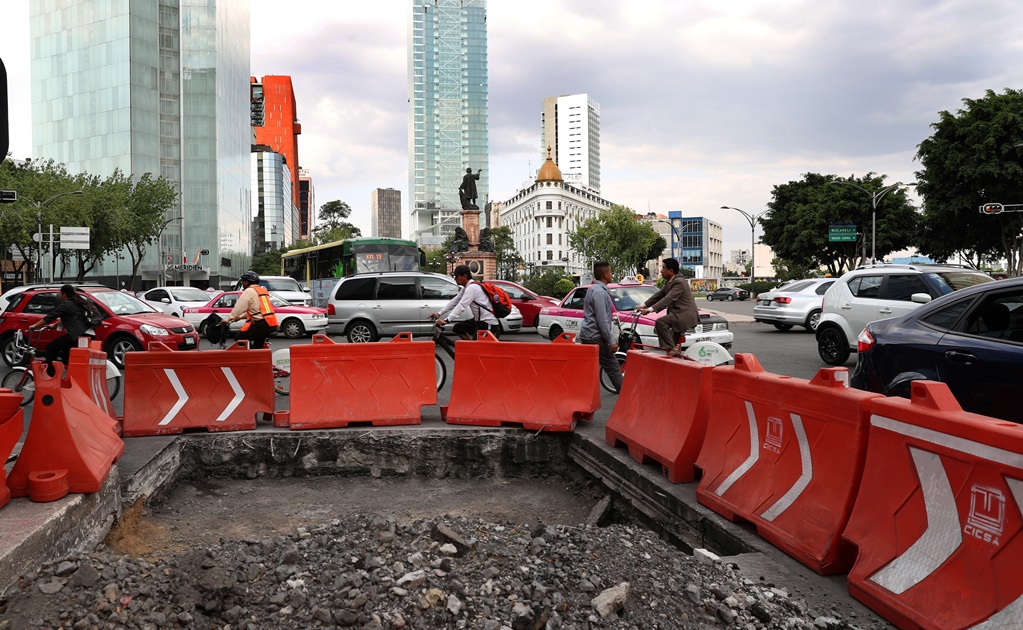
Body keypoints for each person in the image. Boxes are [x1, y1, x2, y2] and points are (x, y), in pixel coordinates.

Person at [636, 258, 699, 357]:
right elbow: (658, 295)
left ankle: (673, 349)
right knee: (671, 347)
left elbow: (668, 298)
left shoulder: (679, 282)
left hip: (684, 315)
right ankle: (674, 356)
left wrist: (649, 310)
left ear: (671, 271)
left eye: (663, 268)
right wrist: (642, 305)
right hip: (678, 314)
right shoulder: (670, 281)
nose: (661, 271)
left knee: (661, 322)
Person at [27, 284, 92, 376]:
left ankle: (51, 375)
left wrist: (34, 326)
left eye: (60, 293)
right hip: (88, 334)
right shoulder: (77, 302)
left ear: (64, 294)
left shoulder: (66, 304)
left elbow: (49, 317)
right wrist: (54, 325)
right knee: (65, 355)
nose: (59, 294)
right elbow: (71, 317)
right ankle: (71, 375)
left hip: (77, 334)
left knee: (50, 347)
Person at [580, 261, 622, 394]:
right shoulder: (600, 293)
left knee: (589, 370)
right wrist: (611, 341)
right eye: (610, 272)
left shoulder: (593, 289)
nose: (611, 274)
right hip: (596, 336)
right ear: (605, 274)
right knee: (613, 367)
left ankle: (583, 397)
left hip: (588, 335)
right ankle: (628, 397)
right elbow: (602, 320)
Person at [430, 264, 501, 340]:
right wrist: (439, 313)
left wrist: (447, 320)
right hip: (479, 321)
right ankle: (470, 348)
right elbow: (455, 301)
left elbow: (461, 306)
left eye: (456, 276)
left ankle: (472, 350)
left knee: (478, 347)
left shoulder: (472, 288)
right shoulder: (466, 288)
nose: (455, 278)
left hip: (488, 322)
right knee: (458, 328)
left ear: (464, 276)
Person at [223, 270, 278, 349]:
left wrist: (228, 319)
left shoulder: (249, 291)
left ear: (247, 282)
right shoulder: (261, 291)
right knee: (258, 345)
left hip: (261, 324)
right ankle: (258, 358)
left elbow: (239, 307)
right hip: (271, 323)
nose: (243, 284)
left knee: (239, 338)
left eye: (243, 281)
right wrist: (239, 317)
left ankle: (252, 357)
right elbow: (257, 311)